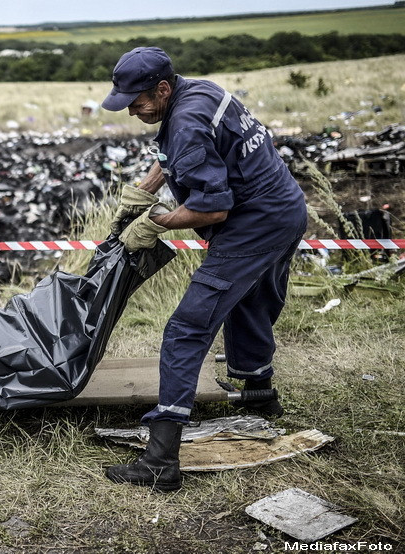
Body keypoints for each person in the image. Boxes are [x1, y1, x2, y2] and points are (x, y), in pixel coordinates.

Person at [100, 47, 307, 491]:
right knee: (249, 301)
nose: (134, 110)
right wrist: (143, 190)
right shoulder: (199, 91)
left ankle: (160, 461)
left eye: (139, 101)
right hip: (286, 209)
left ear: (163, 87)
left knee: (186, 328)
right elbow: (177, 153)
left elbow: (212, 209)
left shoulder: (187, 121)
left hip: (252, 224)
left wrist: (155, 223)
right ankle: (258, 395)